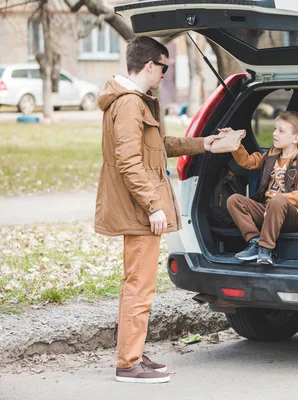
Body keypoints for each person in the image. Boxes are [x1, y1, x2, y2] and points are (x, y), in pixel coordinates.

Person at [95, 36, 222, 383]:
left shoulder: (135, 102)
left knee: (137, 283)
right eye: (164, 67)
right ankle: (128, 363)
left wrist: (202, 144)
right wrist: (152, 205)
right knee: (139, 286)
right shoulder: (129, 104)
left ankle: (132, 353)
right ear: (150, 65)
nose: (165, 73)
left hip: (138, 207)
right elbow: (128, 160)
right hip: (138, 210)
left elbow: (157, 146)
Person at [222, 111, 298, 265]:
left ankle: (266, 249)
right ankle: (254, 242)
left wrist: (278, 199)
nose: (274, 133)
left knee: (277, 202)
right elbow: (247, 162)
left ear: (295, 138)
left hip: (293, 214)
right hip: (268, 210)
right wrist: (234, 143)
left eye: (281, 131)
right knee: (234, 200)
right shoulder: (272, 154)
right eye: (275, 129)